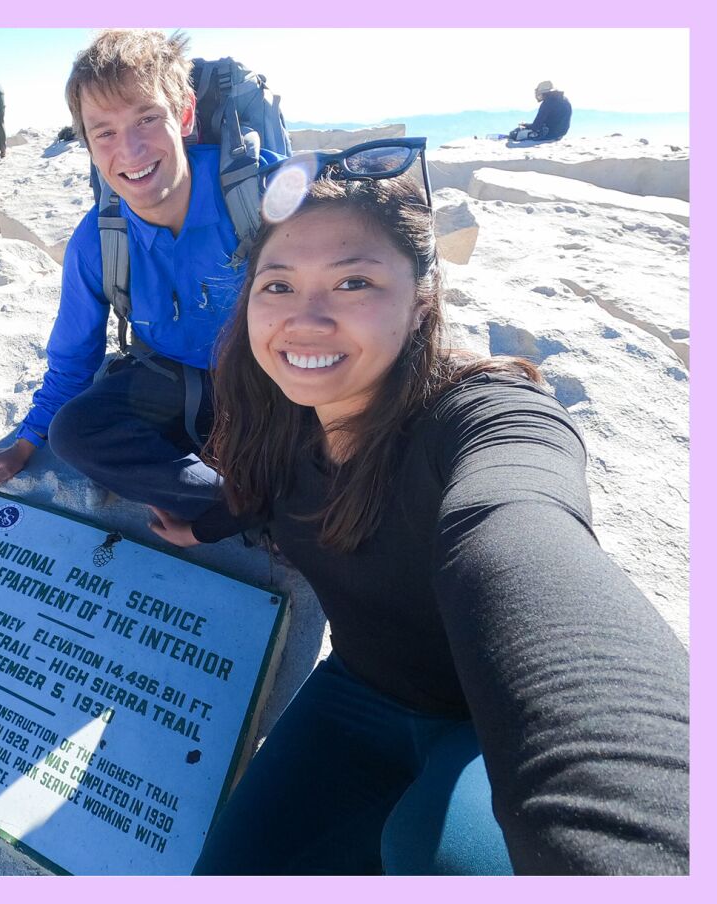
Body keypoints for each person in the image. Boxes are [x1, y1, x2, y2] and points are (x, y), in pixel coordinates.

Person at [145, 159, 689, 874]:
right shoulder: (279, 415)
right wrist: (204, 526)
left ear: (422, 298)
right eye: (278, 284)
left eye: (353, 282)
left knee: (433, 856)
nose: (305, 318)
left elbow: (524, 537)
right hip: (357, 693)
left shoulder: (486, 421)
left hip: (488, 726)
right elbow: (262, 495)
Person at [0, 29, 281, 517]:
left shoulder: (265, 198)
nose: (129, 151)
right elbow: (73, 358)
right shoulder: (98, 241)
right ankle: (239, 503)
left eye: (147, 118)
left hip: (275, 383)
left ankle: (248, 500)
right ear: (86, 141)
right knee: (74, 432)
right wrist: (25, 445)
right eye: (104, 131)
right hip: (175, 386)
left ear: (185, 115)